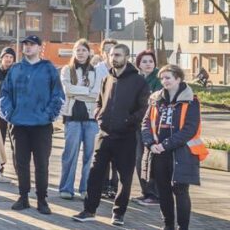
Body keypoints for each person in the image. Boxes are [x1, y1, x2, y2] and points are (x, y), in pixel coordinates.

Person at [73, 44, 151, 226]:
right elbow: (99, 102)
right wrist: (99, 116)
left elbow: (144, 108)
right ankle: (89, 210)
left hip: (126, 136)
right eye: (111, 55)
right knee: (95, 173)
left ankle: (118, 213)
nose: (113, 58)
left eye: (117, 55)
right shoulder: (107, 78)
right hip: (105, 134)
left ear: (126, 57)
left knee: (124, 177)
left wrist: (127, 122)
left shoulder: (139, 81)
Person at [0, 35, 64, 215]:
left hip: (41, 126)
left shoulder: (48, 69)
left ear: (39, 48)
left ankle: (42, 199)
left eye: (32, 45)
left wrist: (48, 115)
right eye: (25, 45)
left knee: (41, 163)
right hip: (19, 124)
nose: (27, 48)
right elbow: (4, 93)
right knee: (21, 163)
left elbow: (58, 95)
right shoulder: (16, 69)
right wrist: (9, 113)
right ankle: (23, 196)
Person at [141, 64, 202, 230]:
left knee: (180, 192)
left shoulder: (191, 101)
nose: (164, 81)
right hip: (158, 154)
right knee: (163, 191)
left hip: (181, 154)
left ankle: (183, 227)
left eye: (168, 77)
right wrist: (151, 144)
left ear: (178, 79)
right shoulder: (155, 99)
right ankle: (168, 225)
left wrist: (165, 145)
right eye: (162, 78)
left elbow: (190, 129)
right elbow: (146, 123)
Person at [58, 39, 102, 200]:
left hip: (91, 119)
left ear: (89, 52)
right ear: (74, 53)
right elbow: (67, 90)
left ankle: (86, 188)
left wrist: (79, 93)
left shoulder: (96, 71)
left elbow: (97, 93)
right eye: (78, 50)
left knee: (90, 155)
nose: (81, 53)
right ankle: (66, 188)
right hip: (72, 118)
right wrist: (86, 91)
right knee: (70, 154)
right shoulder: (67, 70)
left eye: (84, 50)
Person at [134, 49, 162, 206]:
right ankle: (145, 192)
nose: (148, 64)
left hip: (153, 126)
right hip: (138, 124)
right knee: (139, 159)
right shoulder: (137, 79)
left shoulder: (158, 78)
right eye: (144, 61)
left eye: (150, 61)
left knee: (150, 159)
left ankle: (154, 194)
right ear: (139, 64)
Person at [97, 39, 120, 199]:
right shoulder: (97, 69)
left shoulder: (123, 71)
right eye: (107, 49)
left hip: (119, 119)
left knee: (117, 158)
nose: (110, 52)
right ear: (103, 52)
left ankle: (114, 185)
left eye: (113, 49)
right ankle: (103, 185)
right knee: (103, 153)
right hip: (103, 118)